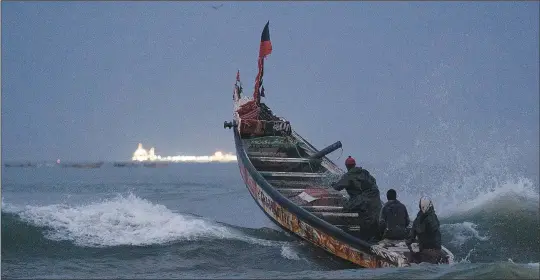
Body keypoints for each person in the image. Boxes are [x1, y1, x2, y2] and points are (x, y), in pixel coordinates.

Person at [332, 156, 382, 242]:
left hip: (363, 200)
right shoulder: (365, 173)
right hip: (375, 199)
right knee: (373, 216)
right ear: (355, 165)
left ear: (347, 166)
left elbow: (337, 187)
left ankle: (348, 230)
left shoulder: (348, 175)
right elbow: (373, 183)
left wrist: (333, 184)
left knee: (346, 209)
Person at [406, 196, 445, 264]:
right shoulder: (434, 217)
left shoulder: (418, 220)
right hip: (438, 251)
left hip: (426, 253)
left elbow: (410, 238)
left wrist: (408, 244)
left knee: (410, 256)